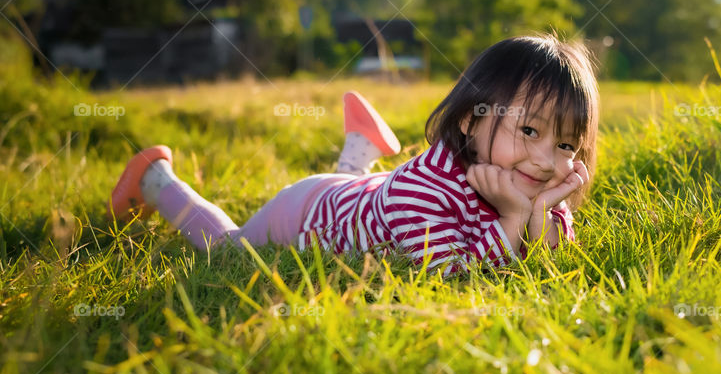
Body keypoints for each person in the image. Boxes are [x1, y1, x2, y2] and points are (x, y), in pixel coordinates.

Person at [109, 33, 599, 277]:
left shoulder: (534, 179)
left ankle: (360, 148)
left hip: (367, 197)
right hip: (307, 211)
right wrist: (514, 217)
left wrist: (540, 212)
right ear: (470, 118)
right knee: (230, 250)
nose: (544, 159)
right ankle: (158, 180)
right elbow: (450, 277)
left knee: (372, 202)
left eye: (565, 143)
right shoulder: (421, 193)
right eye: (529, 130)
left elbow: (551, 262)